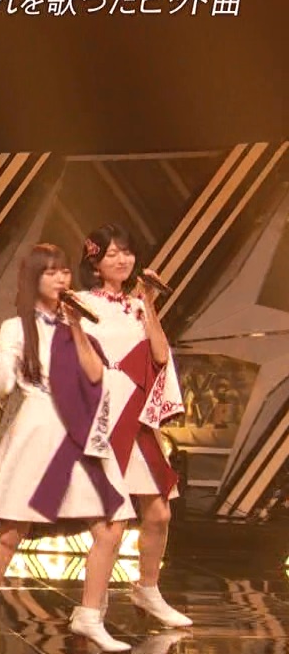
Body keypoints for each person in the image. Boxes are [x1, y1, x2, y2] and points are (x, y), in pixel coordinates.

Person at [0, 244, 136, 654]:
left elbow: (95, 375)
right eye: (50, 272)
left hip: (79, 430)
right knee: (12, 531)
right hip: (39, 429)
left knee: (112, 525)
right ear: (34, 279)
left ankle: (89, 615)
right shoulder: (17, 326)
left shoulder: (75, 324)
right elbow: (4, 376)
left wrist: (76, 327)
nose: (61, 279)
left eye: (64, 271)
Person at [77, 224, 191, 628]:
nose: (122, 260)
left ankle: (147, 588)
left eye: (126, 252)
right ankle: (93, 604)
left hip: (139, 418)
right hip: (105, 417)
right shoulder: (81, 304)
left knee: (159, 512)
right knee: (113, 519)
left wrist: (149, 305)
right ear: (94, 263)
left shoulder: (138, 306)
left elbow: (159, 356)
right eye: (112, 254)